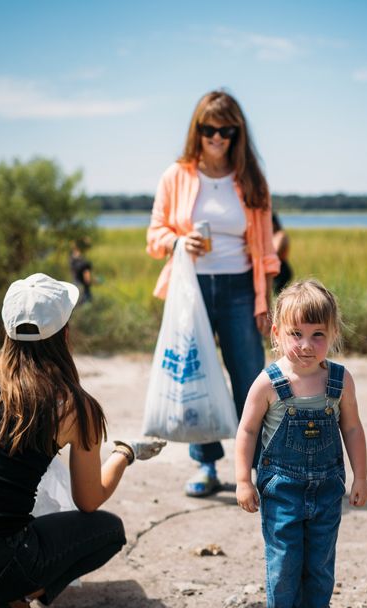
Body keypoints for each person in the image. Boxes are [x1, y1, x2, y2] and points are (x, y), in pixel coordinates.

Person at [0, 273, 166, 608]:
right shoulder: (74, 405)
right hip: (7, 554)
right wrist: (125, 453)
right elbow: (89, 500)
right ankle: (15, 597)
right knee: (109, 531)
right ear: (65, 334)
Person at [147, 91, 279, 498]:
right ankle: (206, 465)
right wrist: (178, 241)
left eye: (226, 130)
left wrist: (265, 303)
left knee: (251, 379)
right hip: (192, 290)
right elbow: (154, 235)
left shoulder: (252, 179)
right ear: (197, 131)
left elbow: (267, 253)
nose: (217, 137)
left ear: (237, 132)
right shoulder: (177, 176)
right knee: (196, 377)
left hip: (241, 288)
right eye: (209, 130)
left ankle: (260, 468)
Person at [236, 280, 367, 608]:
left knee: (320, 557)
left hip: (327, 486)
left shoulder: (340, 380)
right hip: (282, 488)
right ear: (277, 333)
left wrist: (360, 476)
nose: (306, 345)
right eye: (296, 334)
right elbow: (246, 431)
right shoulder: (269, 383)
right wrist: (243, 479)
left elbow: (353, 429)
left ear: (333, 335)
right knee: (285, 555)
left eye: (318, 335)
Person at [272, 213, 293, 294]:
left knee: (279, 293)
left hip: (282, 268)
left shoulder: (281, 235)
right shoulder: (273, 235)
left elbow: (276, 252)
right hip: (276, 267)